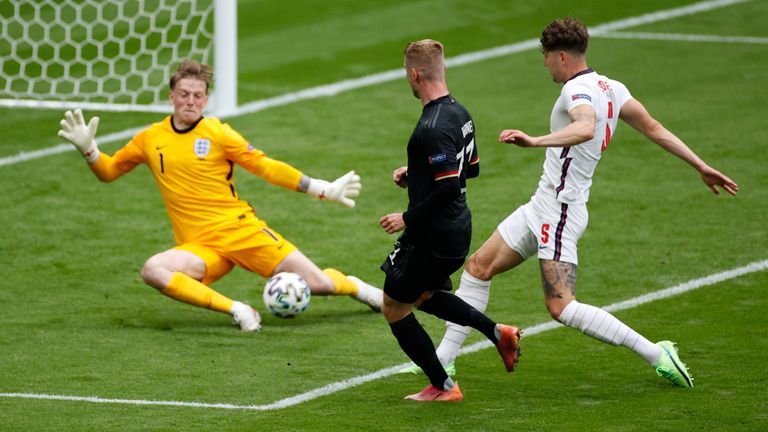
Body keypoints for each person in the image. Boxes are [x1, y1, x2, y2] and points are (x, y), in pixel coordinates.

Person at [400, 17, 739, 387]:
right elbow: (654, 127)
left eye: (545, 56)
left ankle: (656, 352)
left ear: (562, 56)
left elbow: (584, 126)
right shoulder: (613, 87)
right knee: (478, 267)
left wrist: (535, 140)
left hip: (560, 211)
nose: (544, 63)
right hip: (543, 205)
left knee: (561, 307)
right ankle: (444, 360)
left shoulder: (576, 92)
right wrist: (701, 166)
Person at [57, 59, 383, 332]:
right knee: (153, 270)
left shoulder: (217, 132)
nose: (190, 101)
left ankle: (357, 287)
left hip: (240, 230)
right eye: (184, 94)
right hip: (199, 246)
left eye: (197, 96)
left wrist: (321, 188)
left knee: (319, 284)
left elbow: (264, 166)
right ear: (171, 96)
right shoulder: (149, 138)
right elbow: (109, 171)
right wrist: (89, 150)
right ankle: (239, 310)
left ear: (206, 99)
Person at [379, 39, 521, 402]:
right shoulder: (460, 113)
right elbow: (468, 170)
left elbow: (446, 186)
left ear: (414, 74)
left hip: (432, 233)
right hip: (457, 228)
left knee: (394, 306)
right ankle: (497, 332)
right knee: (424, 295)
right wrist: (415, 173)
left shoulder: (432, 126)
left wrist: (406, 217)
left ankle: (444, 387)